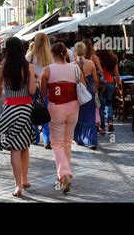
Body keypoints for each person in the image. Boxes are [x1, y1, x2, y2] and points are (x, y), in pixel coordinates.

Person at [0, 37, 37, 198]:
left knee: (14, 149)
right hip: (26, 110)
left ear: (6, 49)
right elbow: (32, 92)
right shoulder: (28, 67)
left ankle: (17, 186)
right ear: (22, 49)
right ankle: (25, 179)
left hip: (10, 110)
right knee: (24, 146)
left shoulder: (1, 68)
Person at [40, 43, 85, 194]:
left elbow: (43, 93)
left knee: (57, 144)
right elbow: (82, 85)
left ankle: (65, 174)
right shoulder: (75, 68)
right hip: (73, 107)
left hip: (56, 107)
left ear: (52, 54)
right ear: (65, 53)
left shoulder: (47, 70)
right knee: (67, 143)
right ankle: (64, 177)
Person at [26, 33, 52, 149]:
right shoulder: (50, 57)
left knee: (33, 113)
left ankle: (35, 138)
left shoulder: (29, 56)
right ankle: (47, 139)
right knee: (46, 113)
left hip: (33, 88)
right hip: (47, 88)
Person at [73, 42, 99, 149]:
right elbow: (96, 79)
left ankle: (79, 138)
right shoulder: (91, 63)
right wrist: (95, 90)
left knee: (79, 116)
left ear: (75, 51)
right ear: (84, 51)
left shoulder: (73, 64)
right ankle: (90, 140)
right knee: (90, 116)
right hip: (89, 90)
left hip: (78, 91)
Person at [97, 49, 120, 134]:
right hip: (110, 82)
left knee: (101, 106)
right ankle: (110, 122)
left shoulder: (97, 59)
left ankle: (102, 127)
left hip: (101, 84)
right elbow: (117, 74)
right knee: (109, 103)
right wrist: (117, 85)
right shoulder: (113, 59)